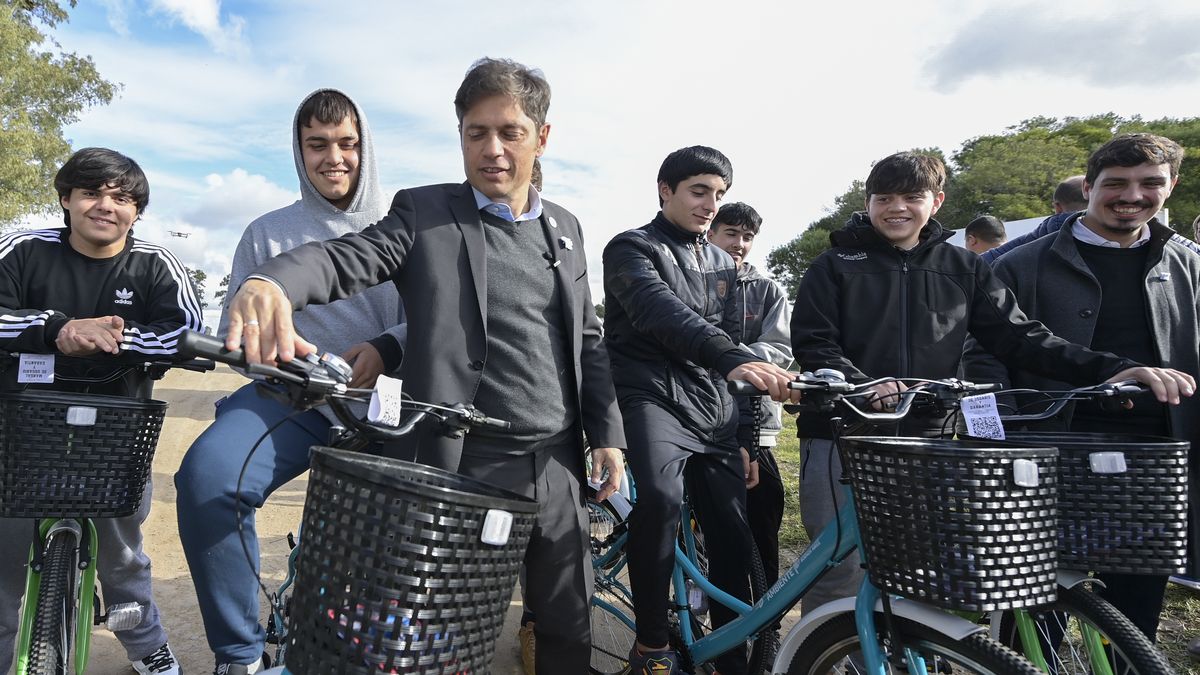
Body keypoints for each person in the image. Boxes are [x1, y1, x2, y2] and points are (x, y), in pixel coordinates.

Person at [222, 58, 626, 675]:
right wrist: (272, 280)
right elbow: (344, 259)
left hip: (557, 463)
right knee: (433, 635)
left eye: (509, 132)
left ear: (542, 137)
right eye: (475, 132)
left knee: (567, 626)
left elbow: (587, 340)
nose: (492, 150)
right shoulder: (425, 214)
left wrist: (608, 437)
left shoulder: (565, 227)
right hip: (464, 463)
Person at [790, 151, 1194, 617]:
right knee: (839, 563)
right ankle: (821, 654)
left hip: (929, 434)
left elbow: (1021, 338)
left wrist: (1110, 369)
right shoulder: (834, 264)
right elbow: (816, 344)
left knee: (919, 563)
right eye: (884, 198)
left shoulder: (965, 266)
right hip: (842, 430)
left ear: (936, 201)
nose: (896, 208)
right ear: (868, 201)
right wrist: (865, 384)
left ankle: (910, 658)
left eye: (912, 197)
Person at [174, 89, 407, 674]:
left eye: (347, 143)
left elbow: (439, 319)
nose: (334, 157)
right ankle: (239, 655)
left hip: (388, 408)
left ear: (366, 146)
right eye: (318, 144)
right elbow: (240, 327)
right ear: (298, 151)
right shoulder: (265, 232)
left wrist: (386, 346)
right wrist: (271, 353)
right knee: (207, 480)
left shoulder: (407, 222)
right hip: (292, 399)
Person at [964, 133, 1200, 643]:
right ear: (1089, 187)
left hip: (1155, 461)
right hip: (1047, 459)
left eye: (1149, 184)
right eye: (1116, 183)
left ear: (1172, 187)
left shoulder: (1188, 265)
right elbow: (983, 357)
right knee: (1031, 611)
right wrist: (998, 438)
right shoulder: (1018, 264)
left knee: (1135, 615)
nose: (1131, 196)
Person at [0, 147, 204, 675]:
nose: (105, 206)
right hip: (24, 418)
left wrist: (113, 338)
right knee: (6, 547)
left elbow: (188, 335)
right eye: (90, 192)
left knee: (121, 547)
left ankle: (144, 644)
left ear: (137, 211)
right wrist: (57, 328)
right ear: (66, 199)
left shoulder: (157, 264)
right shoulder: (23, 250)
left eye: (122, 197)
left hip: (118, 424)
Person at [603, 147, 797, 675]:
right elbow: (657, 312)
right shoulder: (630, 247)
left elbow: (737, 346)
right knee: (662, 501)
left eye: (719, 194)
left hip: (712, 409)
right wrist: (733, 357)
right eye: (698, 190)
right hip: (650, 398)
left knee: (733, 529)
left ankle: (731, 656)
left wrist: (750, 437)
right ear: (665, 189)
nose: (711, 204)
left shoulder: (722, 264)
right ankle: (649, 645)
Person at [706, 201, 792, 587]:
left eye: (748, 236)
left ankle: (765, 618)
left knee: (763, 519)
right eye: (731, 233)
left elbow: (780, 349)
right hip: (699, 420)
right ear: (710, 233)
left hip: (757, 424)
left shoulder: (768, 289)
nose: (739, 243)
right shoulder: (692, 281)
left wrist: (722, 358)